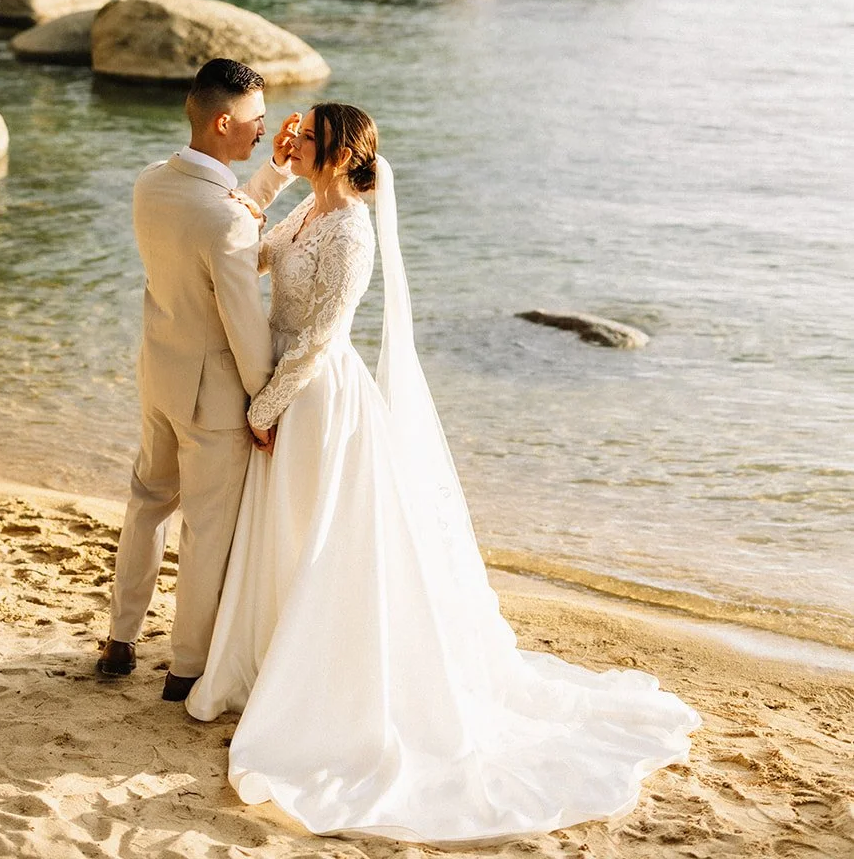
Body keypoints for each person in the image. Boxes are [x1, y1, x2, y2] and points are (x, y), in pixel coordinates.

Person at [186, 102, 701, 842]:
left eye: (305, 138)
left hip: (318, 394)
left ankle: (322, 681)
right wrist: (271, 172)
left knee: (321, 534)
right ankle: (269, 661)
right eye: (291, 135)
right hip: (288, 388)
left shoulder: (353, 231)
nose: (292, 142)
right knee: (286, 531)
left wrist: (265, 404)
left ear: (338, 154)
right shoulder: (305, 211)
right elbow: (252, 258)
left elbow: (325, 334)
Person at [96, 58, 299, 699]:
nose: (263, 133)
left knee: (147, 505)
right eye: (257, 123)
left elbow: (216, 228)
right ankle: (186, 668)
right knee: (208, 529)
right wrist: (269, 403)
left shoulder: (151, 184)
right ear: (222, 121)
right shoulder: (226, 218)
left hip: (159, 375)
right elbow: (244, 325)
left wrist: (275, 178)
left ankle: (121, 640)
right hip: (212, 399)